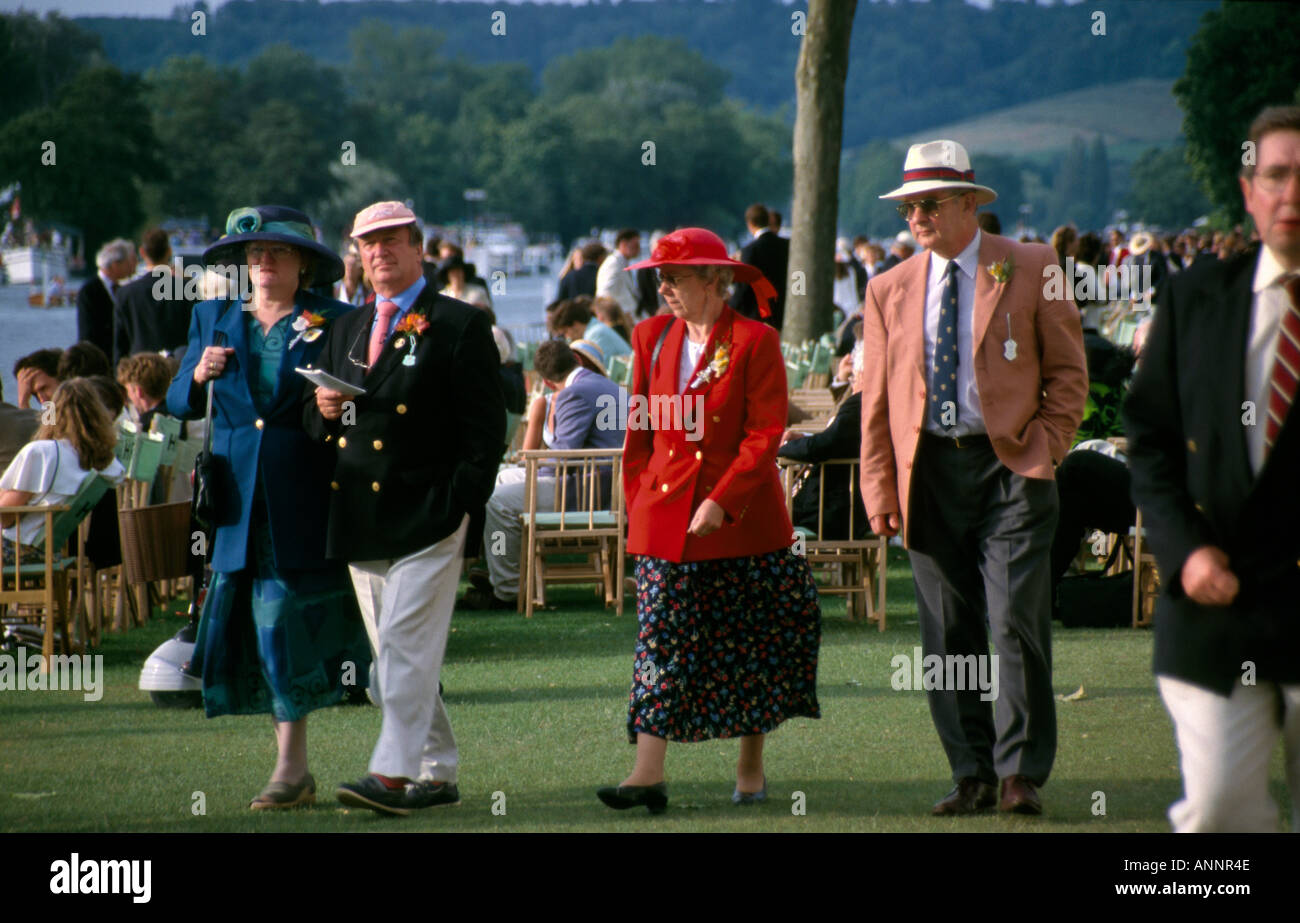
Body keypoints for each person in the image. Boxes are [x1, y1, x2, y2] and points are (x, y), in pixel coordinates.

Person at [860, 140, 1088, 816]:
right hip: (926, 471)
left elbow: (1069, 373)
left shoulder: (1033, 265)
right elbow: (874, 402)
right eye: (908, 205)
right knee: (946, 633)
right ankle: (972, 772)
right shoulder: (886, 287)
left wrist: (1047, 446)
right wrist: (879, 491)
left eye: (929, 202)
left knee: (1015, 620)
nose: (916, 216)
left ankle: (1020, 772)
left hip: (1012, 467)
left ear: (969, 203)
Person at [600, 227, 821, 814]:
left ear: (716, 281)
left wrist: (722, 499)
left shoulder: (756, 341)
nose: (663, 287)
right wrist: (639, 503)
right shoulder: (648, 336)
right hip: (664, 521)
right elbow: (639, 431)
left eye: (674, 277)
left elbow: (763, 433)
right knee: (659, 643)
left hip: (743, 522)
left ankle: (751, 767)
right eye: (659, 277)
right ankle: (647, 773)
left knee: (752, 643)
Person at [1122, 105, 1300, 832]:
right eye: (1278, 175)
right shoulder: (1197, 299)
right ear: (1248, 188)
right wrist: (1184, 548)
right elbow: (1151, 436)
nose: (1293, 193)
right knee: (1222, 812)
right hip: (1217, 603)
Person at [166, 204, 370, 810]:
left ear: (303, 263)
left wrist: (340, 407)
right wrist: (198, 375)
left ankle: (291, 766)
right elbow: (177, 401)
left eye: (277, 252)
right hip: (233, 504)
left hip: (303, 495)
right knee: (256, 631)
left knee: (281, 624)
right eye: (254, 254)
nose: (263, 262)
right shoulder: (212, 316)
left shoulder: (337, 319)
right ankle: (292, 767)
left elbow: (360, 407)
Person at [307, 201, 505, 816]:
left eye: (392, 242)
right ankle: (437, 773)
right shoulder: (343, 328)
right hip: (361, 518)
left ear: (419, 248)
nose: (379, 253)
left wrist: (460, 503)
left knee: (398, 650)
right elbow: (314, 427)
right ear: (357, 256)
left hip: (429, 513)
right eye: (368, 244)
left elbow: (485, 431)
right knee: (401, 653)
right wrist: (321, 411)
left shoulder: (458, 323)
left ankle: (390, 776)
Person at [462, 338, 624, 611]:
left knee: (496, 500)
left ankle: (507, 590)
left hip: (585, 493)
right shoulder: (608, 386)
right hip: (605, 485)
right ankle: (496, 568)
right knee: (500, 479)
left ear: (548, 382)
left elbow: (563, 458)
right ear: (577, 360)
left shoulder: (574, 393)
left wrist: (533, 464)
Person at [0, 379, 124, 565]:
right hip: (56, 549)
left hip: (18, 551)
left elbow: (6, 516)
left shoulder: (42, 453)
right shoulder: (107, 461)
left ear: (53, 412)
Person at [780, 342, 867, 541]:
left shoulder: (860, 403)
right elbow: (837, 436)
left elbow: (823, 446)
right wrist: (804, 438)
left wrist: (782, 449)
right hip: (849, 506)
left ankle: (791, 569)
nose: (853, 383)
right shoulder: (867, 402)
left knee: (773, 518)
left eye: (854, 377)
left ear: (863, 373)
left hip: (834, 513)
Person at [112, 228, 194, 364]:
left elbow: (120, 346)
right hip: (177, 369)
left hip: (139, 370)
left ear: (142, 252)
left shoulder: (125, 293)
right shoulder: (187, 288)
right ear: (169, 251)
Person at [728, 203, 788, 330]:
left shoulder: (749, 251)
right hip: (786, 312)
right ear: (768, 220)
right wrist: (799, 295)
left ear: (750, 224)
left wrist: (730, 307)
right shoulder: (787, 245)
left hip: (759, 315)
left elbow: (744, 286)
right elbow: (799, 275)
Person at [77, 239, 135, 359]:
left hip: (118, 359)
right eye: (126, 263)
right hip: (98, 359)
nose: (130, 267)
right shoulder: (89, 291)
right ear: (115, 264)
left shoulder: (120, 289)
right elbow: (87, 333)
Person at [116, 352, 175, 433]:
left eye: (128, 391)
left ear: (138, 391)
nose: (129, 397)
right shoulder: (179, 415)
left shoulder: (146, 425)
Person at [595, 228, 642, 316]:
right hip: (620, 318)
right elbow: (604, 294)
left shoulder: (620, 263)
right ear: (623, 244)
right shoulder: (613, 264)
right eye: (635, 245)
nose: (639, 249)